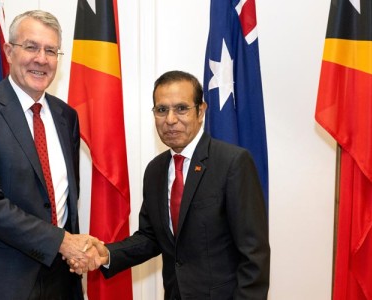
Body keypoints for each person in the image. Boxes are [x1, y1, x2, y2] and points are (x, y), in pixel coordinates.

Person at [0, 10, 102, 300]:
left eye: (51, 50)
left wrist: (72, 250)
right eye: (31, 47)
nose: (41, 59)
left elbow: (63, 197)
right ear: (9, 51)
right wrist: (62, 242)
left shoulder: (66, 116)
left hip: (59, 278)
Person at [85, 70, 271, 299]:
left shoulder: (232, 163)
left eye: (181, 108)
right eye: (162, 110)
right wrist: (107, 254)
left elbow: (254, 255)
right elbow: (151, 237)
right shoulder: (155, 171)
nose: (171, 120)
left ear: (201, 111)